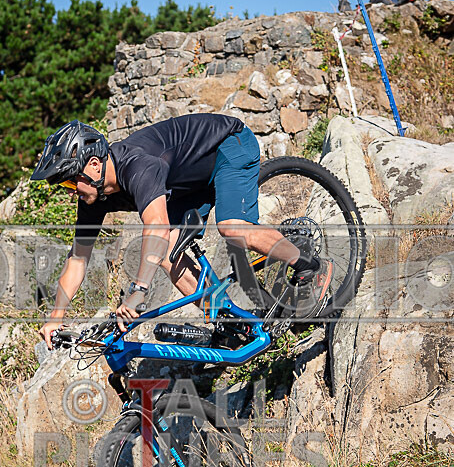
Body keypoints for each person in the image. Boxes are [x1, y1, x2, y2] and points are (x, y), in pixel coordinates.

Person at [31, 116, 333, 343]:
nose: (70, 191)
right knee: (167, 255)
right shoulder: (93, 195)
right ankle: (228, 322)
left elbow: (157, 227)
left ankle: (311, 266)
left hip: (227, 147)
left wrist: (137, 293)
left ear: (94, 164)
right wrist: (55, 318)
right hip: (187, 182)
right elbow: (77, 260)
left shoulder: (137, 166)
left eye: (71, 181)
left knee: (232, 228)